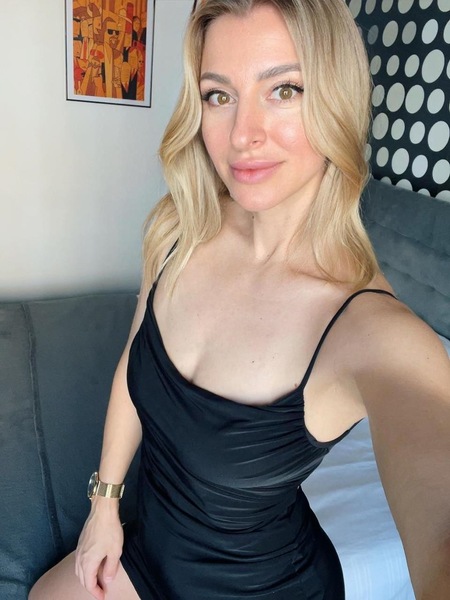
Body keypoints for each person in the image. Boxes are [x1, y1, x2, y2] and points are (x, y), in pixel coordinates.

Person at [29, 0, 450, 598]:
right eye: (219, 95)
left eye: (284, 90)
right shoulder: (179, 228)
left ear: (337, 100)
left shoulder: (374, 332)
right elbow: (133, 363)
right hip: (150, 542)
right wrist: (105, 504)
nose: (242, 135)